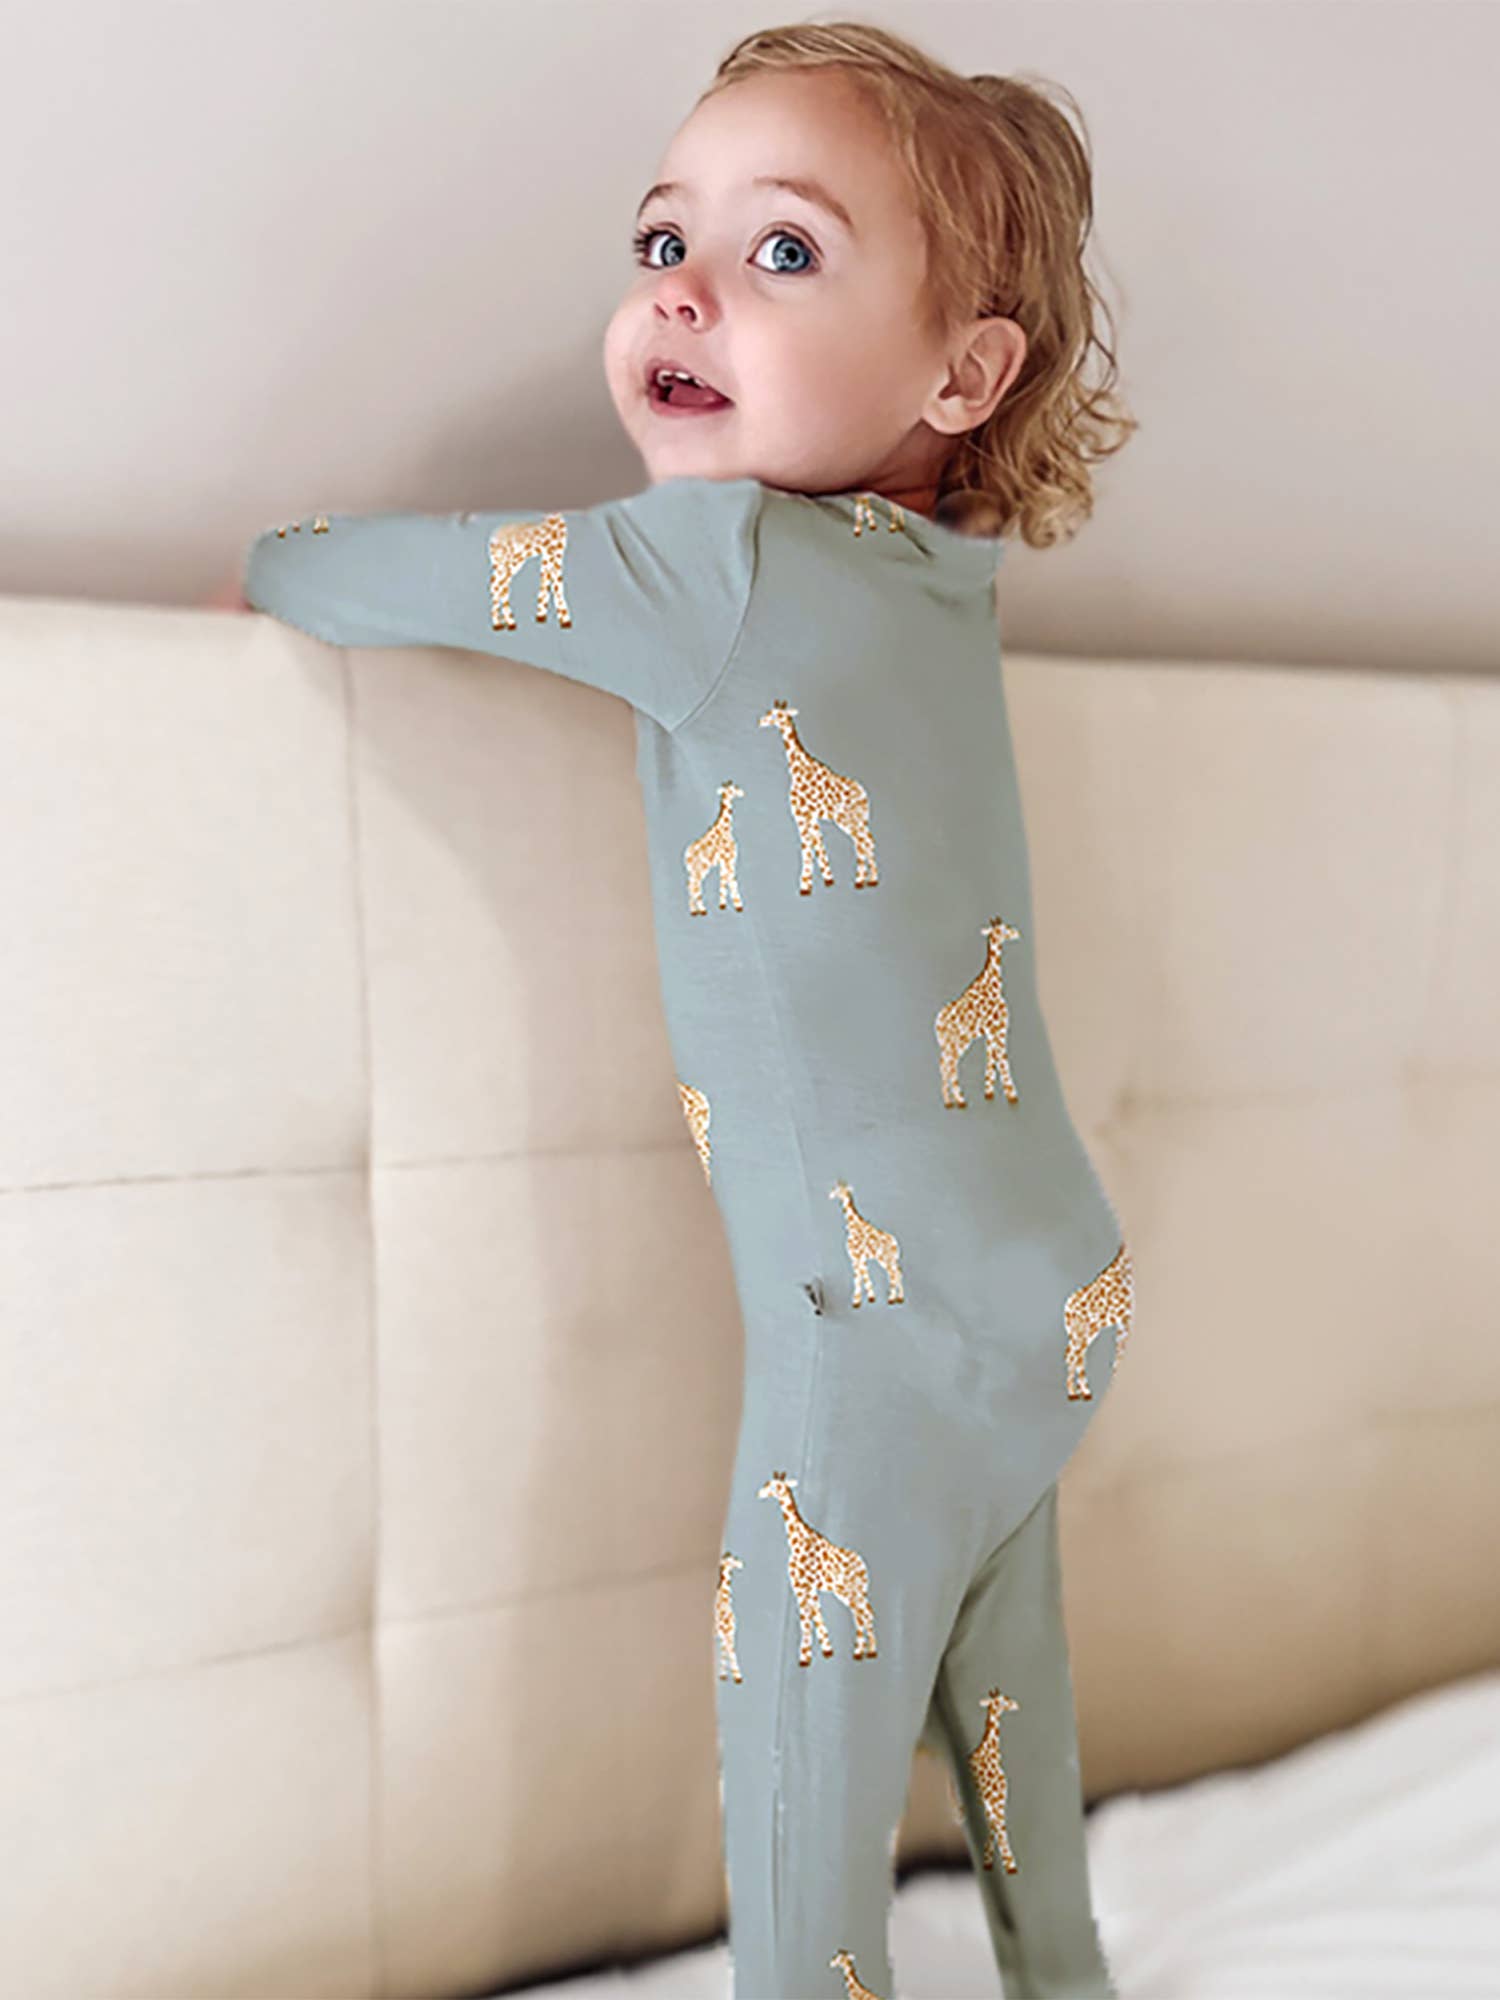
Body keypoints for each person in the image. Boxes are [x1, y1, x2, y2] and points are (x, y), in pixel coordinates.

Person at [234, 22, 1140, 1998]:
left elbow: (365, 576)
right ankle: (1063, 1972)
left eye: (782, 251)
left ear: (961, 375)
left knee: (804, 1777)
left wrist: (267, 558)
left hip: (876, 1333)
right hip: (1055, 1282)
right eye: (663, 238)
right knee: (1008, 1696)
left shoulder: (705, 561)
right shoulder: (944, 585)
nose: (683, 285)